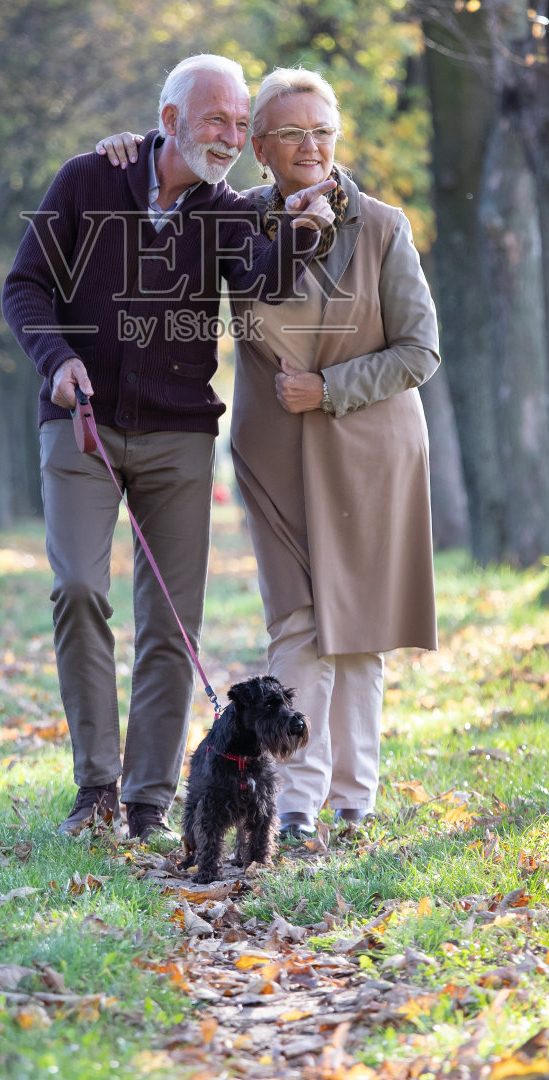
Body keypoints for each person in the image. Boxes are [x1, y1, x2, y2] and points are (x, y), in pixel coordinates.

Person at [95, 66, 439, 836]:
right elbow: (157, 206)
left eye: (322, 130)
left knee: (360, 630)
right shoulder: (231, 219)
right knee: (299, 620)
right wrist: (128, 151)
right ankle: (293, 806)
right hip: (276, 447)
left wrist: (330, 386)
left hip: (370, 448)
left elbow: (420, 351)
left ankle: (353, 799)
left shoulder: (383, 227)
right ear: (257, 146)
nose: (310, 146)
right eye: (290, 132)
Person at [2, 54, 335, 840]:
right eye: (214, 119)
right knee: (78, 589)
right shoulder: (88, 179)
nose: (229, 135)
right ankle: (96, 788)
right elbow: (25, 286)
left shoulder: (226, 211)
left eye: (237, 120)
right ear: (170, 120)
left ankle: (148, 802)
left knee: (170, 622)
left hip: (180, 432)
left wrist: (300, 234)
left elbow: (260, 282)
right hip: (79, 419)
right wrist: (59, 360)